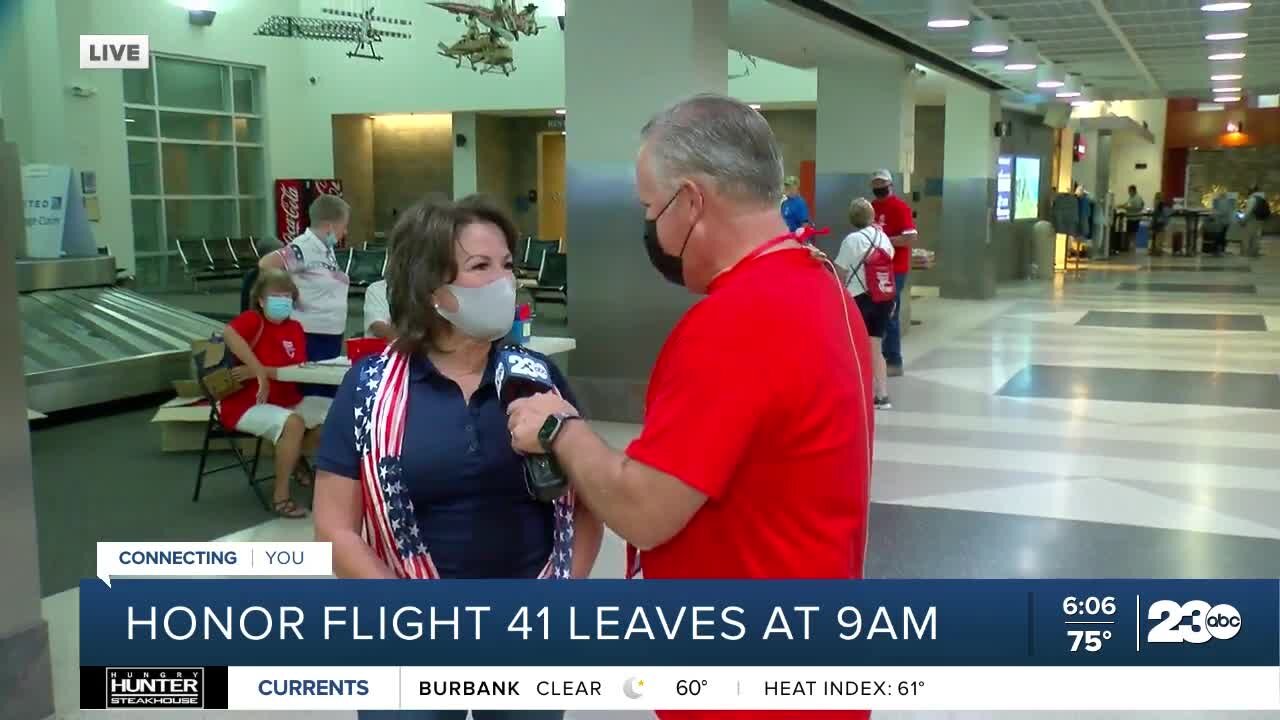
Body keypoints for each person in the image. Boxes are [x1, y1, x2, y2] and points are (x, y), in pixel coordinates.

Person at [507, 93, 873, 720]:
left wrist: (560, 429)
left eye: (650, 209)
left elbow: (646, 511)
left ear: (692, 201)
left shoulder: (736, 321)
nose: (650, 228)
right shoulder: (823, 289)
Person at [313, 196, 602, 720]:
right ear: (434, 290)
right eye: (480, 267)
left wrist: (562, 598)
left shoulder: (537, 379)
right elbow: (335, 528)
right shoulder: (369, 390)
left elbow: (588, 503)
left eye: (507, 265)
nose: (504, 281)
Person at [219, 269, 330, 518]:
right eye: (276, 295)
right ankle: (281, 497)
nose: (283, 301)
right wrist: (258, 371)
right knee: (293, 423)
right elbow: (229, 333)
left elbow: (293, 369)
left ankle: (296, 456)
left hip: (287, 399)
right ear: (260, 300)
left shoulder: (296, 328)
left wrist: (260, 372)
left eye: (288, 296)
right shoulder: (253, 320)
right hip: (246, 403)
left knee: (338, 411)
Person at [259, 194, 352, 397]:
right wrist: (287, 298)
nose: (344, 232)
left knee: (328, 394)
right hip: (310, 336)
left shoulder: (325, 249)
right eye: (343, 226)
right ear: (329, 226)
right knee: (314, 393)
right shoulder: (303, 247)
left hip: (329, 335)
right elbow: (267, 263)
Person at [835, 198, 894, 410]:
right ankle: (882, 395)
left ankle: (861, 393)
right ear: (872, 216)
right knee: (876, 346)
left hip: (859, 299)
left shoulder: (851, 240)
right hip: (883, 298)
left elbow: (839, 271)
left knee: (855, 347)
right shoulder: (883, 237)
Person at [869, 168, 917, 377]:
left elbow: (909, 237)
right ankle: (878, 357)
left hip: (895, 268)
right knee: (875, 313)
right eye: (876, 185)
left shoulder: (900, 207)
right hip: (875, 267)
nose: (879, 188)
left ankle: (894, 359)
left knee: (890, 312)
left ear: (890, 185)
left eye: (883, 184)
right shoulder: (870, 207)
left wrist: (884, 241)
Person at [1243, 185, 1267, 258]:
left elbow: (1248, 211)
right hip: (1260, 220)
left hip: (1252, 220)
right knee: (1256, 236)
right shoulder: (1261, 198)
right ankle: (1255, 252)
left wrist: (1243, 220)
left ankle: (1246, 253)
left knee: (1248, 236)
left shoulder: (1252, 199)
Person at [1119, 184, 1144, 254]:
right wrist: (1122, 205)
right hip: (1130, 218)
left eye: (1129, 190)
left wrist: (1125, 207)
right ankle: (1129, 247)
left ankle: (1132, 248)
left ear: (1133, 190)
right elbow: (1127, 204)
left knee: (1133, 234)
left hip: (1134, 218)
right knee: (1129, 233)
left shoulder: (1137, 198)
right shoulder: (1131, 197)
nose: (1128, 192)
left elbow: (1138, 207)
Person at [1149, 192, 1170, 257]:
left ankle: (1156, 250)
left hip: (1157, 223)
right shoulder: (1163, 204)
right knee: (1159, 238)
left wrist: (1152, 223)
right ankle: (1158, 250)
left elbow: (1156, 214)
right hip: (1160, 223)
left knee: (1156, 238)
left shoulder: (1158, 204)